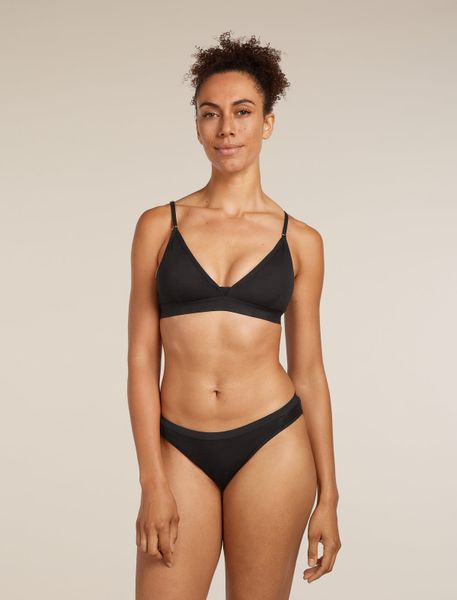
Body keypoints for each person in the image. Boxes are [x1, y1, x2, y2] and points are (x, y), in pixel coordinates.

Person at [127, 31, 341, 600]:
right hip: (179, 446)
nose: (226, 128)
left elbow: (310, 372)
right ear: (197, 125)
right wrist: (152, 479)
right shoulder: (159, 226)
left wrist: (330, 496)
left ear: (267, 123)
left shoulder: (302, 241)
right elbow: (141, 360)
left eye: (242, 112)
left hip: (273, 443)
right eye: (210, 113)